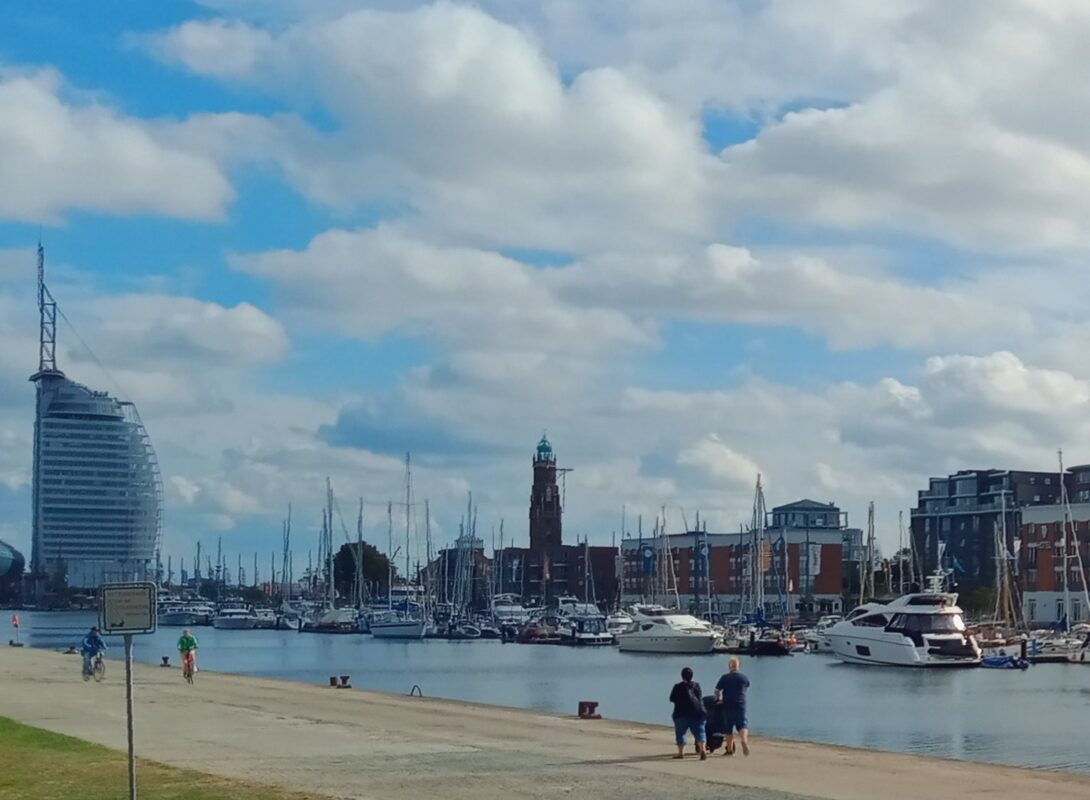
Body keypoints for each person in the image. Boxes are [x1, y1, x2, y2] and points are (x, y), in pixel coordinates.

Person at [668, 666, 707, 760]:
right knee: (700, 731)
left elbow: (672, 698)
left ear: (682, 676)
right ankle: (703, 750)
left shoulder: (677, 687)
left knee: (680, 733)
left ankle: (681, 753)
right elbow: (700, 697)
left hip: (681, 713)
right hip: (696, 713)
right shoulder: (696, 685)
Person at [714, 656, 751, 756]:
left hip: (728, 703)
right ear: (738, 666)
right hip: (741, 703)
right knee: (742, 724)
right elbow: (746, 687)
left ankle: (729, 750)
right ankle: (744, 740)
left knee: (728, 727)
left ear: (729, 666)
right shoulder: (744, 678)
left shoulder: (725, 677)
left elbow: (717, 690)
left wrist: (718, 699)